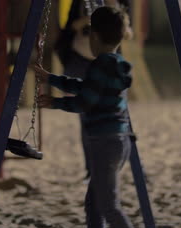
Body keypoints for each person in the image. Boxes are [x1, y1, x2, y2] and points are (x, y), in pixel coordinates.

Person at [35, 6, 151, 228]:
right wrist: (52, 79)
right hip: (119, 142)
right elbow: (85, 87)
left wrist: (56, 104)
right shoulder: (117, 64)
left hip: (104, 143)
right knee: (95, 204)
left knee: (109, 206)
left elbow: (84, 102)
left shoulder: (100, 65)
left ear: (94, 37)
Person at [54, 0, 131, 182]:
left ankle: (120, 167)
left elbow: (128, 32)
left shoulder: (119, 4)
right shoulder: (81, 3)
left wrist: (118, 16)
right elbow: (70, 27)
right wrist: (86, 21)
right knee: (89, 116)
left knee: (118, 114)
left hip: (108, 60)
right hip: (80, 61)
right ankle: (93, 168)